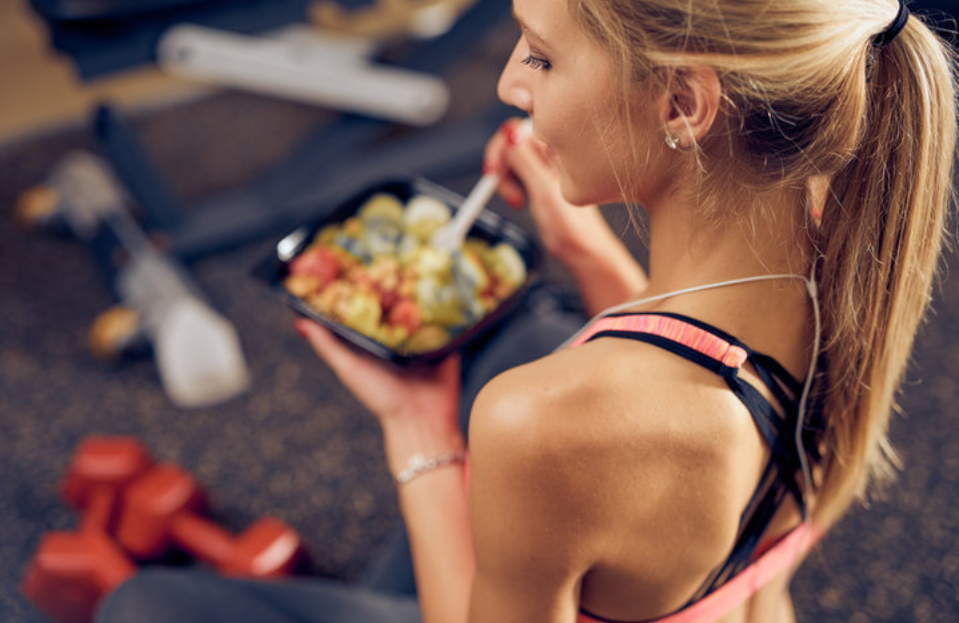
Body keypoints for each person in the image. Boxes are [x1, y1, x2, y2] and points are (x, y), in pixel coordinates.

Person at [97, 0, 957, 621]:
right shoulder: (849, 250)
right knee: (529, 331)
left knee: (143, 604)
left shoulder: (539, 422)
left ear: (683, 104)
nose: (510, 82)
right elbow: (715, 374)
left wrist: (420, 434)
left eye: (541, 56)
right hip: (730, 585)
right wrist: (584, 250)